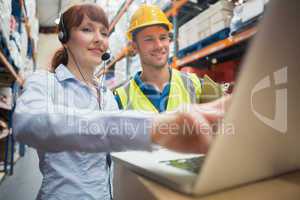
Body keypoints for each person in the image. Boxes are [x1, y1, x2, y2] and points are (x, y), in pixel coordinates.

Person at [12, 3, 230, 200]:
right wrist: (154, 127)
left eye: (104, 33)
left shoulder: (106, 95)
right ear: (64, 37)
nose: (99, 39)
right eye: (87, 29)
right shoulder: (46, 82)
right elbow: (27, 122)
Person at [114, 4, 222, 113]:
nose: (159, 45)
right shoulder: (121, 99)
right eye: (149, 39)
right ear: (134, 46)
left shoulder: (196, 85)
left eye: (163, 38)